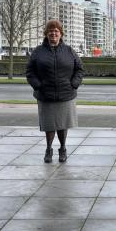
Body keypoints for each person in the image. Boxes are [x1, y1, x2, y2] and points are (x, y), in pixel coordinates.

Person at [26, 20, 84, 163]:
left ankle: (63, 148)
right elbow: (30, 71)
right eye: (50, 31)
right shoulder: (38, 52)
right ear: (46, 34)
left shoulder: (69, 51)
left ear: (61, 34)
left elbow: (80, 69)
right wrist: (38, 86)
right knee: (49, 125)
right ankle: (48, 149)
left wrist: (74, 84)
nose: (53, 33)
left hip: (66, 95)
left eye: (56, 31)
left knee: (63, 125)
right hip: (46, 95)